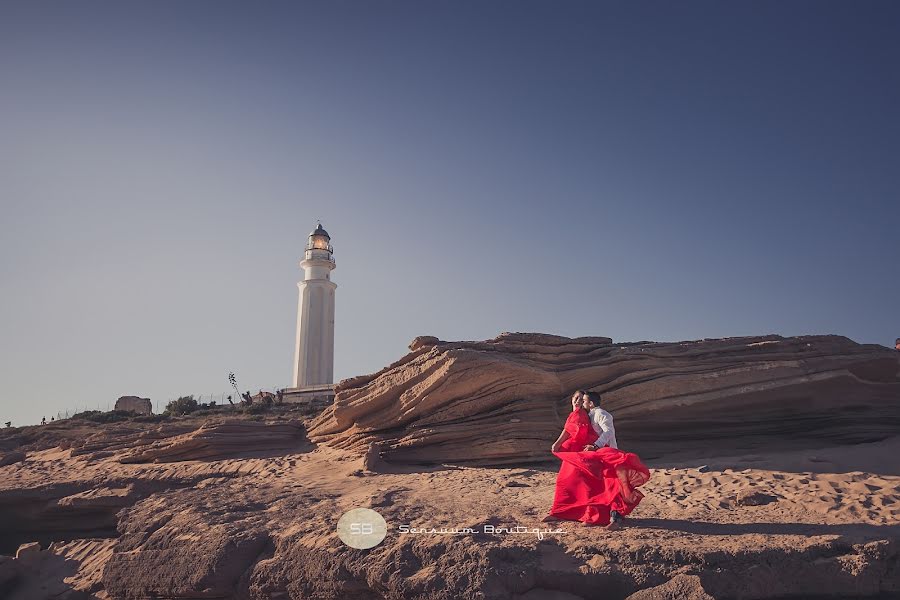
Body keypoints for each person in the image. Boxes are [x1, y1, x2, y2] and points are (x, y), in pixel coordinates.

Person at [544, 391, 650, 529]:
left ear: (590, 403)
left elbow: (608, 432)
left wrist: (595, 446)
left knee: (613, 485)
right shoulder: (587, 415)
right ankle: (566, 513)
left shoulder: (601, 414)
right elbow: (574, 429)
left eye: (583, 400)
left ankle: (614, 519)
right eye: (577, 399)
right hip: (598, 454)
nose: (580, 402)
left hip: (607, 454)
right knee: (594, 484)